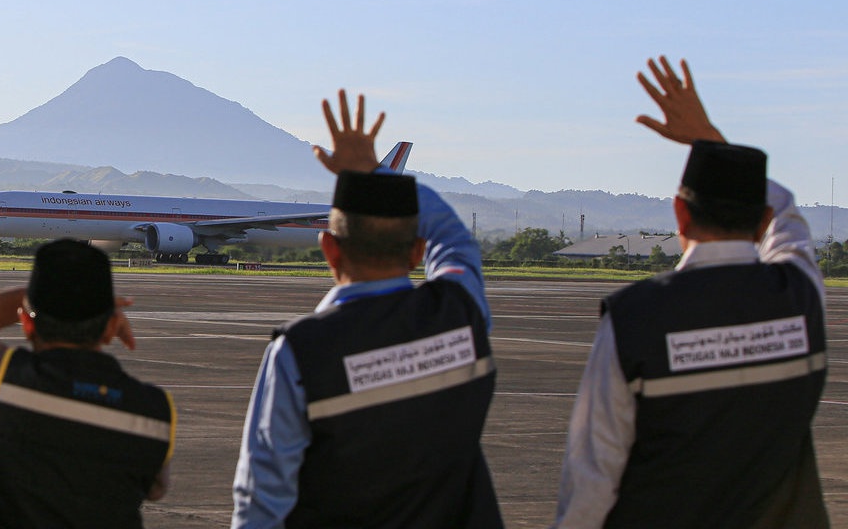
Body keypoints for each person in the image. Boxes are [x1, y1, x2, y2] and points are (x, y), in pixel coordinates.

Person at [552, 56, 829, 528]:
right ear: (760, 220)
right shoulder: (801, 294)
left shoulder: (634, 316)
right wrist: (713, 143)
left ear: (679, 214)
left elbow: (594, 478)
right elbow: (785, 216)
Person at [231, 90, 503, 528]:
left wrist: (365, 175)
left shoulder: (299, 352)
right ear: (417, 251)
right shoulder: (461, 311)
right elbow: (454, 239)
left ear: (329, 250)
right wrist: (374, 174)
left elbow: (262, 500)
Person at [0, 239, 175, 528]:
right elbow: (157, 489)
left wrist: (36, 297)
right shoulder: (153, 410)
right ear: (110, 328)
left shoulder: (0, 379)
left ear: (26, 323)